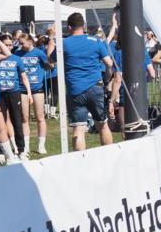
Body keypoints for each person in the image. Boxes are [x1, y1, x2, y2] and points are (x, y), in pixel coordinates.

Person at [61, 12, 114, 151]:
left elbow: (50, 59)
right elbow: (109, 63)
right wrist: (108, 79)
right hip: (95, 87)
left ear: (69, 27)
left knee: (78, 129)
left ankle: (80, 161)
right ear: (84, 26)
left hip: (75, 89)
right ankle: (110, 155)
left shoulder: (64, 43)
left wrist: (51, 41)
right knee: (103, 125)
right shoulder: (95, 41)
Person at [0, 33, 31, 161]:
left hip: (14, 92)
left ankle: (21, 150)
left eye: (10, 45)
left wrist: (29, 93)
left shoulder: (16, 59)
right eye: (6, 45)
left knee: (17, 121)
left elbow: (24, 77)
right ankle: (1, 151)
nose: (8, 47)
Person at [15, 32, 53, 155]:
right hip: (22, 89)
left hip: (37, 88)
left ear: (30, 42)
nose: (20, 45)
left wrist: (46, 66)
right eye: (19, 43)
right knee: (24, 118)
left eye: (22, 43)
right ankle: (25, 146)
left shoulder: (39, 53)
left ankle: (41, 145)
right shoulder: (17, 54)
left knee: (40, 117)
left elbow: (50, 65)